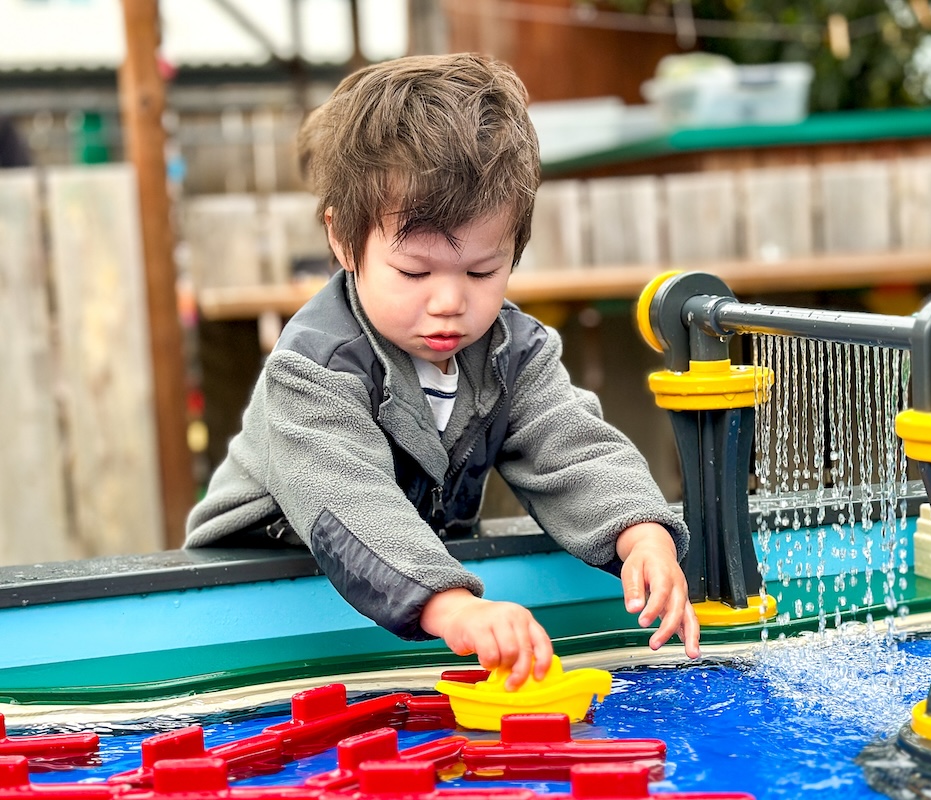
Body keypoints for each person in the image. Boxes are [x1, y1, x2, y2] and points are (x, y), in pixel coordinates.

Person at [185, 53, 701, 689]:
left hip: (412, 595)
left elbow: (571, 446)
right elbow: (349, 504)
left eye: (483, 271)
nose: (450, 301)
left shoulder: (512, 350)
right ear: (344, 242)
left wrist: (640, 533)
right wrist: (452, 604)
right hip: (253, 599)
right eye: (415, 272)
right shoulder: (314, 368)